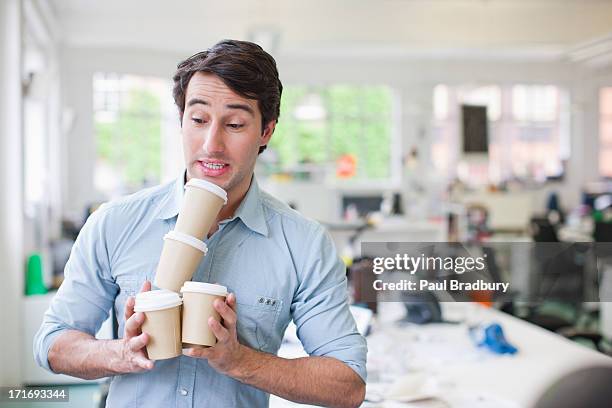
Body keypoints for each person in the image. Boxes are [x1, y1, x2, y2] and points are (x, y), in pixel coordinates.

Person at [34, 39, 367, 408]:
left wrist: (240, 361)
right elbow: (53, 343)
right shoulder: (114, 223)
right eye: (198, 120)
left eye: (236, 124)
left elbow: (347, 384)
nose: (212, 144)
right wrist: (121, 353)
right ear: (181, 122)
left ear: (267, 131)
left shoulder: (302, 242)